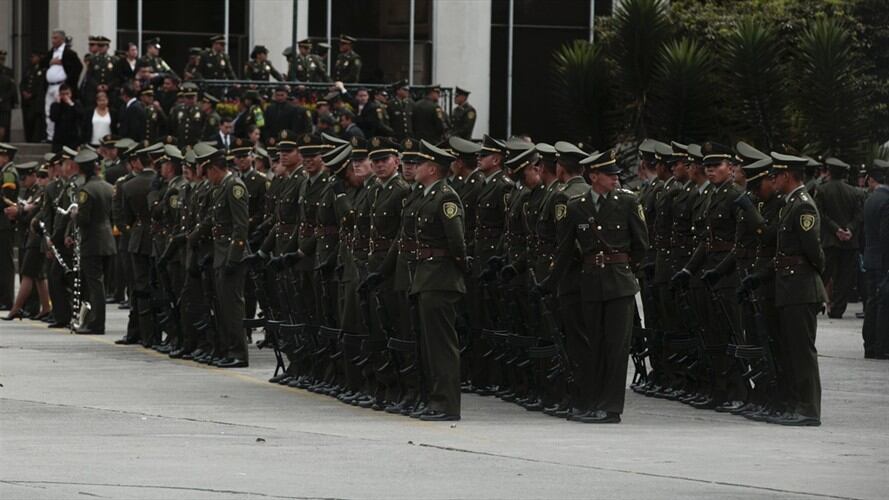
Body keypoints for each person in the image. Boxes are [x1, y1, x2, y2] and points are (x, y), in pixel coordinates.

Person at [193, 143, 250, 368]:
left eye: (207, 173)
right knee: (224, 308)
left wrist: (234, 257)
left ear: (215, 169)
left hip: (230, 255)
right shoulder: (220, 187)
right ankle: (228, 349)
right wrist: (194, 235)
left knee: (233, 307)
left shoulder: (234, 186)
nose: (207, 178)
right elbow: (213, 220)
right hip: (220, 253)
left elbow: (240, 225)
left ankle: (239, 353)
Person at [69, 149, 116, 334]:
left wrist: (74, 215)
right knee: (99, 284)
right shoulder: (107, 186)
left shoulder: (86, 190)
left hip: (93, 241)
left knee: (95, 285)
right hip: (107, 240)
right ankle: (95, 321)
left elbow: (84, 219)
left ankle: (96, 323)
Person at [815, 157, 865, 318]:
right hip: (850, 241)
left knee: (824, 274)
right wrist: (849, 230)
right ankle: (837, 309)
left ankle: (815, 304)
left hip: (829, 240)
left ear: (829, 172)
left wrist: (836, 230)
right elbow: (859, 215)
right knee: (845, 277)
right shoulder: (855, 192)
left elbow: (820, 214)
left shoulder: (822, 190)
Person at [3, 162, 52, 320]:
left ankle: (16, 309)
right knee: (38, 276)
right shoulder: (33, 193)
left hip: (36, 237)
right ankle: (45, 307)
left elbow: (33, 214)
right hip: (30, 237)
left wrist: (18, 213)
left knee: (28, 274)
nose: (39, 180)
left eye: (43, 177)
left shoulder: (42, 193)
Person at [861, 159, 889, 359]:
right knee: (883, 303)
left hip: (871, 257)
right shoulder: (886, 200)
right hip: (883, 260)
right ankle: (881, 345)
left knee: (871, 302)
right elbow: (885, 235)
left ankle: (869, 344)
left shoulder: (870, 199)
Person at [43, 29, 82, 142]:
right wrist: (51, 62)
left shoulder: (69, 53)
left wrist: (68, 82)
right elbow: (42, 63)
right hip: (50, 85)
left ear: (62, 39)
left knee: (62, 110)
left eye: (55, 38)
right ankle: (50, 136)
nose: (53, 40)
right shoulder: (51, 52)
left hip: (61, 86)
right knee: (49, 110)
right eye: (52, 38)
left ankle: (60, 135)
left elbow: (78, 67)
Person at [20, 52, 47, 142]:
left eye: (34, 57)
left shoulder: (42, 70)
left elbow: (40, 85)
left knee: (34, 120)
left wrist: (32, 94)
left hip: (35, 100)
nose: (32, 59)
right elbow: (22, 83)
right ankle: (28, 138)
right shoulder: (28, 69)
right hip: (26, 101)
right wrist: (24, 92)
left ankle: (34, 139)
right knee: (27, 120)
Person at [48, 84, 83, 152]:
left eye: (67, 94)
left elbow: (80, 116)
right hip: (59, 138)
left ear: (71, 94)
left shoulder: (76, 104)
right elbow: (53, 117)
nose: (65, 96)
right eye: (63, 94)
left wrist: (71, 104)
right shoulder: (55, 105)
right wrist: (58, 104)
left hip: (72, 138)